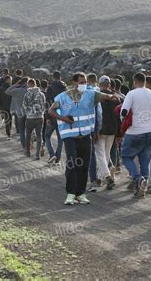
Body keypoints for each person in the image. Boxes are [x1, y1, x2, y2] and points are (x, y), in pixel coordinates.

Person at [48, 72, 119, 205]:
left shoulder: (91, 94)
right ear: (74, 83)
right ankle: (70, 193)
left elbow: (104, 96)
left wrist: (111, 96)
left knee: (84, 165)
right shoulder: (63, 97)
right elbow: (50, 111)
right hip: (70, 137)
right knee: (72, 163)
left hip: (86, 136)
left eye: (85, 82)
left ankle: (80, 193)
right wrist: (63, 118)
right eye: (81, 82)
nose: (84, 85)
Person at [121, 72, 151, 198]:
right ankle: (143, 186)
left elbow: (124, 112)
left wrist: (123, 124)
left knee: (126, 157)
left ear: (134, 81)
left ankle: (137, 178)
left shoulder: (131, 94)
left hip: (134, 132)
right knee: (145, 161)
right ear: (145, 82)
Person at [93, 75, 121, 191]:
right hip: (112, 130)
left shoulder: (97, 97)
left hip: (100, 130)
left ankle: (108, 177)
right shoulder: (117, 98)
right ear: (109, 84)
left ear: (99, 84)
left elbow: (95, 115)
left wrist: (94, 130)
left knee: (100, 154)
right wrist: (119, 133)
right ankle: (100, 178)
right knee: (106, 153)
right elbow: (120, 117)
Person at [45, 71, 67, 164]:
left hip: (52, 115)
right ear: (60, 77)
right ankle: (58, 157)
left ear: (53, 77)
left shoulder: (50, 87)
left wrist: (48, 117)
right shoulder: (65, 88)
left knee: (46, 136)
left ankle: (52, 154)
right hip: (62, 116)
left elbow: (48, 103)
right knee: (60, 138)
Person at [23, 79, 46, 159]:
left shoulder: (27, 94)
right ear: (35, 84)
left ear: (29, 84)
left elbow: (24, 105)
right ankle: (37, 154)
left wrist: (28, 112)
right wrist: (41, 112)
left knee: (28, 135)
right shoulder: (41, 94)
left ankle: (28, 152)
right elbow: (44, 105)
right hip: (40, 117)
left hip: (30, 118)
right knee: (39, 135)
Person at [87, 73, 103, 190]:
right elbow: (99, 114)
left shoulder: (90, 93)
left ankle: (93, 179)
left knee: (91, 154)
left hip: (87, 129)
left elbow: (98, 113)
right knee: (97, 153)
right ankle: (96, 178)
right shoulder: (97, 92)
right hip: (95, 128)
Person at [6, 77, 29, 149]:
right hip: (29, 113)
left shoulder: (17, 90)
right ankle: (30, 144)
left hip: (20, 113)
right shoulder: (30, 91)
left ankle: (24, 147)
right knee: (29, 130)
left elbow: (7, 91)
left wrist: (15, 84)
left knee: (21, 130)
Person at [0, 75, 13, 139]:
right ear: (7, 80)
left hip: (3, 106)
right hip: (10, 105)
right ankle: (9, 132)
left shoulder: (1, 88)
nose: (11, 80)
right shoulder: (11, 88)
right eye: (10, 79)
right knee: (10, 119)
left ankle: (8, 134)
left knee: (6, 120)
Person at [40, 79, 48, 157]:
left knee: (39, 131)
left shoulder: (38, 94)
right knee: (44, 131)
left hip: (38, 114)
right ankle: (43, 145)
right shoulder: (48, 94)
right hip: (46, 115)